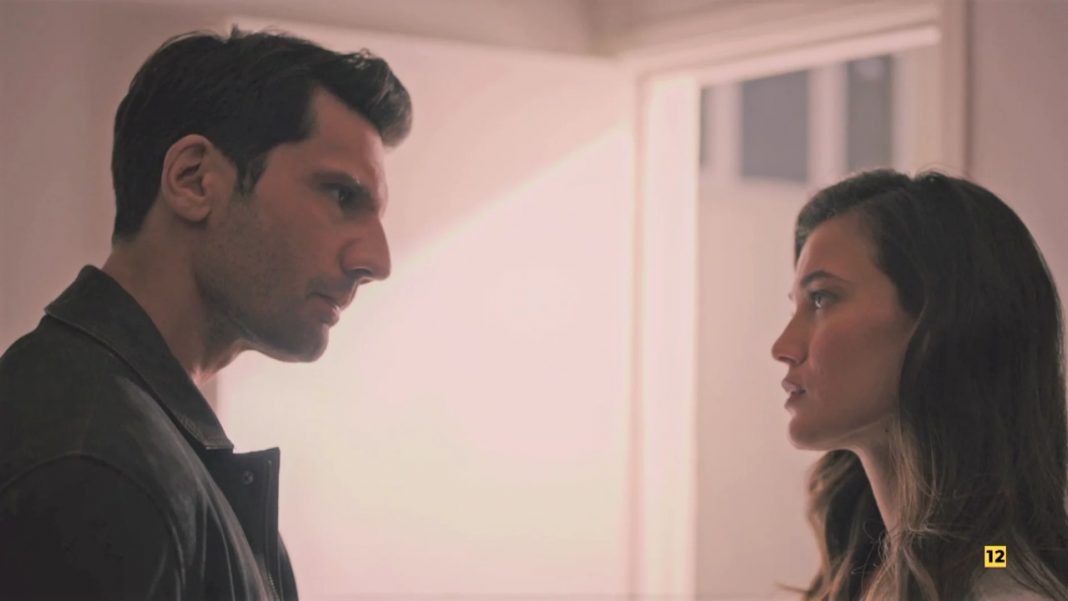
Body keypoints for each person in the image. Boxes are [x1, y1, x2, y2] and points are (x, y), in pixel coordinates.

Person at [0, 27, 411, 600]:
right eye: (341, 195)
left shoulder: (127, 438)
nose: (377, 261)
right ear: (193, 180)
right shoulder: (94, 467)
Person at [771, 170, 1068, 600]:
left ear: (937, 323)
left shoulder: (1000, 575)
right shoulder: (883, 569)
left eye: (822, 298)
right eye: (796, 307)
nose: (783, 347)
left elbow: (997, 564)